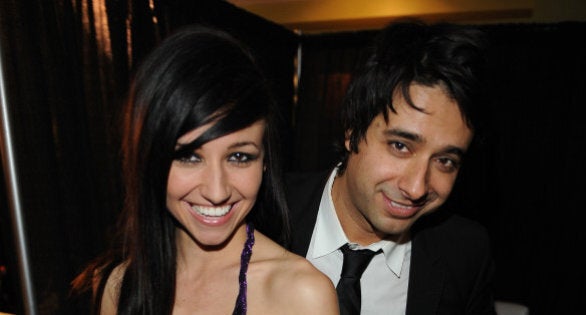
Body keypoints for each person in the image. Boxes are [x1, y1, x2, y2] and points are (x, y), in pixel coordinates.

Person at [66, 25, 338, 314]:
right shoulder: (118, 286)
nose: (217, 191)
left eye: (239, 157)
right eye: (190, 157)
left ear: (264, 162)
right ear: (149, 158)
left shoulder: (301, 296)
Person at [286, 20, 496, 314]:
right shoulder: (262, 214)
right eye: (400, 146)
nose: (416, 188)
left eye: (445, 161)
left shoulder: (465, 253)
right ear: (352, 130)